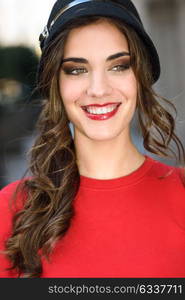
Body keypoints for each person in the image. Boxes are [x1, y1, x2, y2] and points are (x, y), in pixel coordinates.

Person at [0, 0, 185, 278]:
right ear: (56, 84)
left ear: (140, 76)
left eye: (119, 66)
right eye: (76, 69)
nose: (98, 89)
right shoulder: (11, 209)